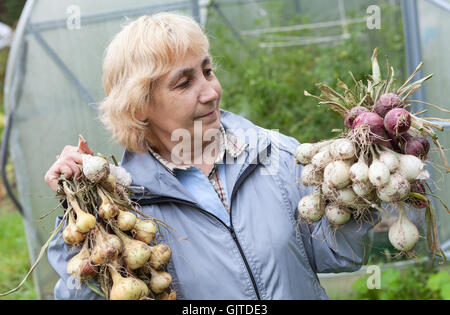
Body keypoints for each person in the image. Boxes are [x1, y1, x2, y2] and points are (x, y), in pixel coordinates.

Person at [44, 12, 379, 300]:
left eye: (207, 71)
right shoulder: (120, 205)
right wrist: (77, 214)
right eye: (183, 83)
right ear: (140, 105)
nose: (210, 92)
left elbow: (339, 253)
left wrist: (365, 184)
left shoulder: (273, 154)